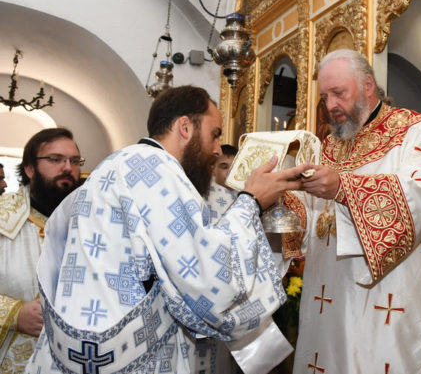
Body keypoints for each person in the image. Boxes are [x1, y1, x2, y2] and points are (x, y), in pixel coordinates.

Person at [25, 85, 310, 374]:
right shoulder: (154, 167)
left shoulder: (119, 164)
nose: (216, 149)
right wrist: (251, 201)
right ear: (185, 127)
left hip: (86, 349)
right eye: (214, 134)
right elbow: (209, 279)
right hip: (129, 359)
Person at [286, 49, 421, 373]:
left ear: (368, 86)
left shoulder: (419, 132)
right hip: (329, 303)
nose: (330, 105)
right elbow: (313, 221)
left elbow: (420, 198)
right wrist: (277, 199)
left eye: (339, 93)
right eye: (325, 97)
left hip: (392, 302)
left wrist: (343, 188)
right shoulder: (326, 147)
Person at [0, 128, 83, 372]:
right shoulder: (2, 216)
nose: (67, 168)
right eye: (56, 159)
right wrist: (14, 314)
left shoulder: (93, 222)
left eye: (74, 161)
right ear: (29, 169)